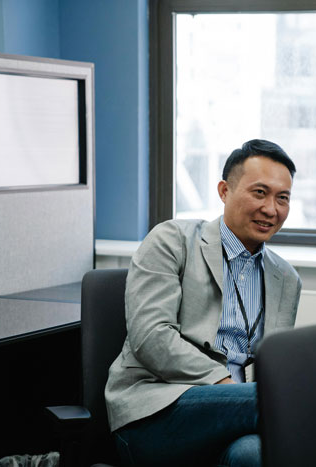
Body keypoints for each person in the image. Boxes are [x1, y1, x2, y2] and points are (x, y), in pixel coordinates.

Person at [105, 139, 302, 466]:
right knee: (283, 403)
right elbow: (151, 338)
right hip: (155, 410)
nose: (271, 208)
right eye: (259, 192)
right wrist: (223, 382)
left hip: (234, 412)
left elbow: (272, 365)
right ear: (224, 191)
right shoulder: (173, 240)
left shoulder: (286, 279)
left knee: (253, 455)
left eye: (283, 198)